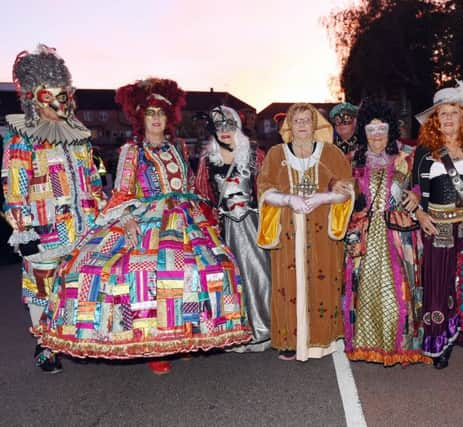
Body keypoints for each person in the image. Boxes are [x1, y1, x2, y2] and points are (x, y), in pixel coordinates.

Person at [35, 78, 251, 374]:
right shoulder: (131, 150)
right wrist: (126, 220)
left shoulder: (178, 148)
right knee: (145, 275)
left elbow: (186, 184)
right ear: (141, 118)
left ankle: (185, 333)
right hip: (145, 217)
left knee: (207, 268)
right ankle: (153, 344)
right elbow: (122, 191)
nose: (157, 118)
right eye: (150, 113)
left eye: (161, 113)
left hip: (183, 217)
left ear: (169, 117)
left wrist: (202, 215)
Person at [1, 45, 104, 373]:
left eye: (64, 95)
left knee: (79, 285)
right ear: (34, 98)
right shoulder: (22, 141)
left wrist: (104, 214)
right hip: (44, 230)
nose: (59, 103)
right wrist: (22, 231)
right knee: (42, 288)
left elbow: (94, 180)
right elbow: (13, 191)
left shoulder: (80, 139)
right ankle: (44, 346)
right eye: (50, 96)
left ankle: (75, 337)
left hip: (83, 227)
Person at [256, 103, 354, 361]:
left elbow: (347, 187)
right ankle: (290, 341)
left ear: (315, 124)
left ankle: (322, 339)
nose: (301, 125)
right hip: (288, 230)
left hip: (322, 231)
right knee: (287, 284)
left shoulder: (331, 153)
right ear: (289, 125)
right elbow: (264, 188)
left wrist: (325, 196)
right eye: (296, 120)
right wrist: (288, 200)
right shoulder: (276, 154)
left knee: (324, 279)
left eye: (306, 120)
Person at [411, 80, 463, 380]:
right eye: (441, 114)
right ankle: (442, 342)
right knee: (440, 287)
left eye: (453, 113)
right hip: (437, 229)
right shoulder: (424, 151)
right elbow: (414, 191)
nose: (447, 119)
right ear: (434, 120)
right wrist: (419, 213)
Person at [343, 99, 428, 366]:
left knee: (400, 288)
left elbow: (420, 186)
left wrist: (416, 196)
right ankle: (367, 344)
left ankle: (400, 345)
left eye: (382, 129)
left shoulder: (406, 157)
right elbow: (342, 191)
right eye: (371, 129)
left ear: (391, 130)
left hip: (398, 235)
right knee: (364, 289)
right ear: (363, 133)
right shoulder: (352, 160)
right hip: (365, 235)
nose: (377, 135)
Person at [199, 105, 271, 352]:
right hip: (223, 231)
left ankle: (262, 327)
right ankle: (233, 332)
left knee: (259, 275)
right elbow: (202, 195)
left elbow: (266, 188)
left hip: (252, 225)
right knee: (228, 281)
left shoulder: (255, 155)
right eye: (219, 127)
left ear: (238, 127)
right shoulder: (206, 161)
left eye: (229, 126)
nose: (224, 131)